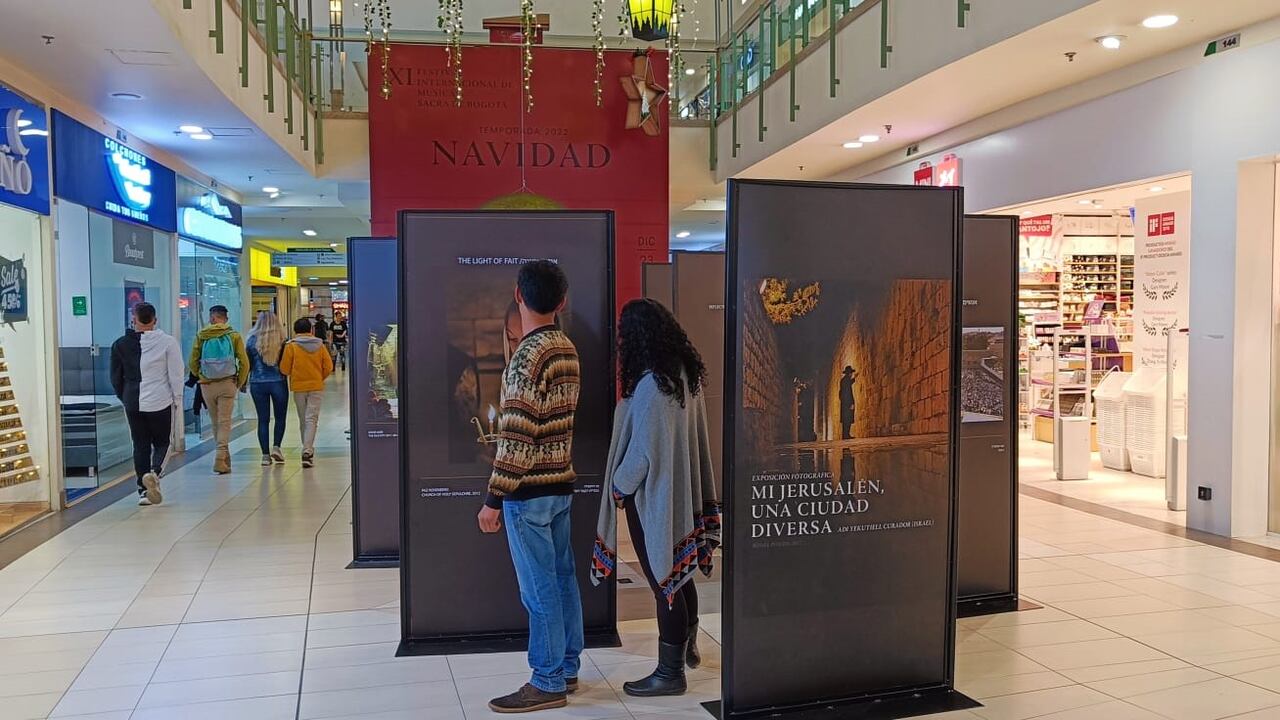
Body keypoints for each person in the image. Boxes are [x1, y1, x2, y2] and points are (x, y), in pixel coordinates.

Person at [591, 299, 721, 697]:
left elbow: (642, 455)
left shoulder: (651, 386)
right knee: (678, 574)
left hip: (656, 497)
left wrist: (618, 486)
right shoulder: (685, 377)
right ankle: (688, 648)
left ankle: (669, 674)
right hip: (682, 493)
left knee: (661, 578)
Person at [478, 261, 583, 714]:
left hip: (528, 492)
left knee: (538, 589)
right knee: (562, 582)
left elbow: (517, 437)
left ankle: (546, 680)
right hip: (560, 483)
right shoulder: (566, 348)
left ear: (517, 295)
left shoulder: (525, 356)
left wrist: (493, 498)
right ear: (561, 302)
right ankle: (567, 667)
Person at [110, 302, 184, 506]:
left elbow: (115, 377)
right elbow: (176, 374)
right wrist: (177, 399)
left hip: (133, 401)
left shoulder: (120, 344)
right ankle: (154, 473)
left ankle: (143, 492)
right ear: (155, 320)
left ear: (134, 319)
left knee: (140, 445)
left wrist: (124, 397)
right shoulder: (168, 343)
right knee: (162, 442)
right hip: (161, 401)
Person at [189, 304, 250, 475]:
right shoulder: (234, 336)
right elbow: (244, 362)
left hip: (207, 385)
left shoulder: (201, 336)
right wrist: (239, 381)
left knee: (216, 422)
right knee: (225, 422)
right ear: (225, 318)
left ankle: (224, 458)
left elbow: (192, 361)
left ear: (212, 318)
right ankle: (221, 457)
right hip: (227, 383)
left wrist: (201, 375)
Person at [280, 317, 333, 468]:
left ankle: (307, 449)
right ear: (311, 330)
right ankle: (307, 450)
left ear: (295, 331)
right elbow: (328, 366)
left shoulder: (291, 346)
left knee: (303, 419)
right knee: (312, 419)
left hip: (298, 387)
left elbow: (284, 368)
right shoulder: (320, 345)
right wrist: (318, 377)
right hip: (315, 386)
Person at [246, 311, 289, 466]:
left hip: (257, 383)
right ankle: (276, 447)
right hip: (278, 382)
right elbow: (285, 364)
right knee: (280, 417)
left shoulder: (251, 341)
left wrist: (244, 382)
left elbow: (248, 364)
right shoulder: (283, 341)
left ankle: (265, 455)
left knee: (263, 420)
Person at [839, 365, 858, 440]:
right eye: (851, 373)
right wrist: (851, 403)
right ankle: (846, 435)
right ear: (849, 373)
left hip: (845, 404)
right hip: (847, 404)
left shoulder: (844, 380)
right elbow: (847, 393)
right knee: (847, 420)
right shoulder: (846, 381)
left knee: (846, 421)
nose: (851, 375)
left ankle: (846, 435)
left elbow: (849, 383)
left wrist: (854, 378)